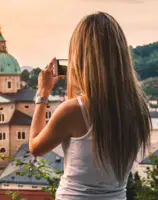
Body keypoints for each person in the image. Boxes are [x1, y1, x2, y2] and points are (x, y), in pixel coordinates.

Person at [29, 12, 151, 199]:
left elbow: (35, 147)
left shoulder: (74, 110)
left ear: (79, 58)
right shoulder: (138, 108)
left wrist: (42, 94)